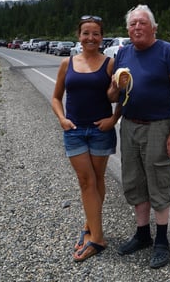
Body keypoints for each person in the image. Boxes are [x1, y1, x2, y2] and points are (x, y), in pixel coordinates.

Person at [108, 4, 170, 269]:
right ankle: (143, 234)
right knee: (134, 180)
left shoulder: (167, 52)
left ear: (153, 27)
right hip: (130, 125)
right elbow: (113, 95)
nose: (137, 27)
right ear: (127, 29)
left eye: (142, 23)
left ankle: (162, 241)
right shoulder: (123, 53)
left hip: (158, 126)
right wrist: (115, 89)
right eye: (132, 24)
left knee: (159, 181)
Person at [51, 15, 121, 262]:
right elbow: (56, 97)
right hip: (74, 131)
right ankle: (96, 235)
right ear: (79, 36)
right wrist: (62, 119)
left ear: (102, 37)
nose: (91, 38)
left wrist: (113, 119)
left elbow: (122, 95)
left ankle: (93, 231)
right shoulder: (67, 63)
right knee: (85, 181)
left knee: (97, 179)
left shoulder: (110, 64)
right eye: (86, 33)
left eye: (96, 34)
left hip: (101, 131)